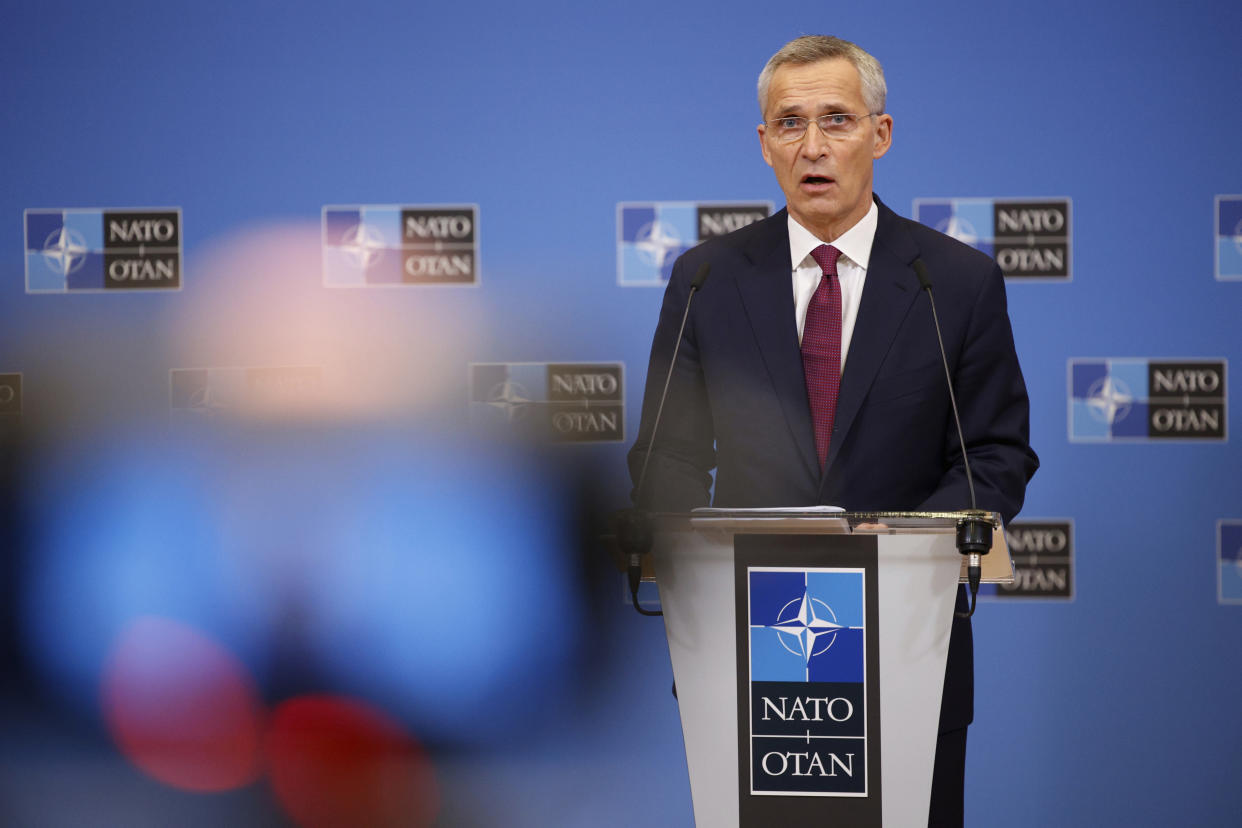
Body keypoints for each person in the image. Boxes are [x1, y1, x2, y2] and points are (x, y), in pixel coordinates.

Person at [627, 35, 1039, 826]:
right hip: (748, 641)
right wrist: (674, 537)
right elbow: (669, 453)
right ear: (764, 144)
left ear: (880, 135)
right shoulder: (706, 278)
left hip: (909, 642)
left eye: (837, 120)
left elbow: (994, 451)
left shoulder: (953, 282)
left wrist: (911, 541)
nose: (812, 146)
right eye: (789, 123)